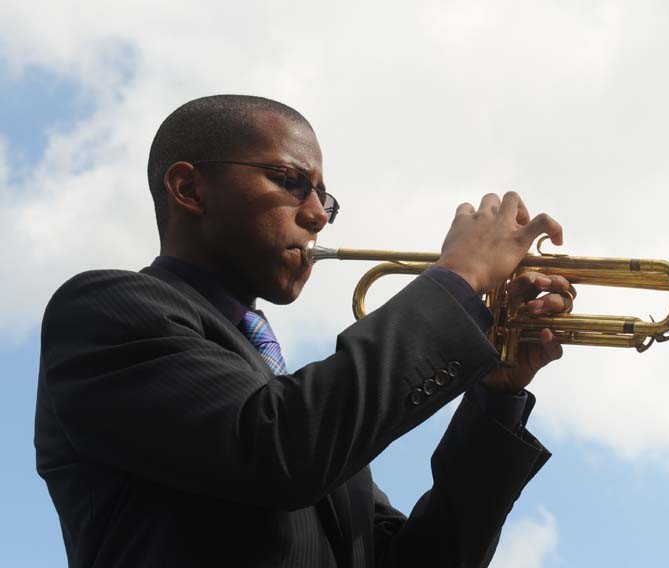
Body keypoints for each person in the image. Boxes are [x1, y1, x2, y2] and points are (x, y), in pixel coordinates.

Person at [35, 95, 571, 567]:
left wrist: (494, 397)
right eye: (290, 182)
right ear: (190, 188)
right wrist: (457, 282)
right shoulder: (105, 312)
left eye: (325, 198)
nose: (317, 215)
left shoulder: (289, 398)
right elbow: (278, 449)